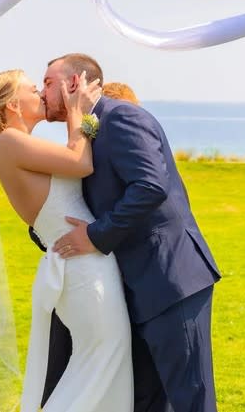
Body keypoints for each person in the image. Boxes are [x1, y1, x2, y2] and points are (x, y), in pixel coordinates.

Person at [41, 53, 221, 412]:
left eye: (48, 82)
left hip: (169, 279)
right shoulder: (85, 134)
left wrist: (95, 236)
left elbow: (150, 186)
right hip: (132, 291)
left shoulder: (122, 117)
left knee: (192, 401)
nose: (40, 90)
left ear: (73, 83)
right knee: (146, 404)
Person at [0, 69, 133, 412]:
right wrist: (78, 109)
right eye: (34, 89)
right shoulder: (9, 142)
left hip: (83, 263)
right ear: (14, 105)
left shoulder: (19, 145)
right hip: (82, 267)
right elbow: (80, 161)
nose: (41, 94)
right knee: (101, 359)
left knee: (100, 360)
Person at [28, 78, 141, 407]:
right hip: (83, 275)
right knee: (85, 372)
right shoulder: (78, 151)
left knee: (99, 371)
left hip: (104, 273)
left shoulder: (115, 150)